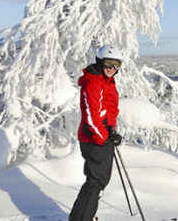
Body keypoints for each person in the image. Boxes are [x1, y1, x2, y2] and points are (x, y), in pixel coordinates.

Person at [69, 44, 124, 221]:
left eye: (117, 65)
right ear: (100, 62)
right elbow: (92, 114)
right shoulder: (94, 81)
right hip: (94, 139)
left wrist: (111, 130)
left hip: (102, 136)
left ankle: (83, 216)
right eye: (109, 64)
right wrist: (104, 137)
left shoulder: (106, 80)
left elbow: (108, 109)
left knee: (98, 181)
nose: (112, 69)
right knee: (96, 181)